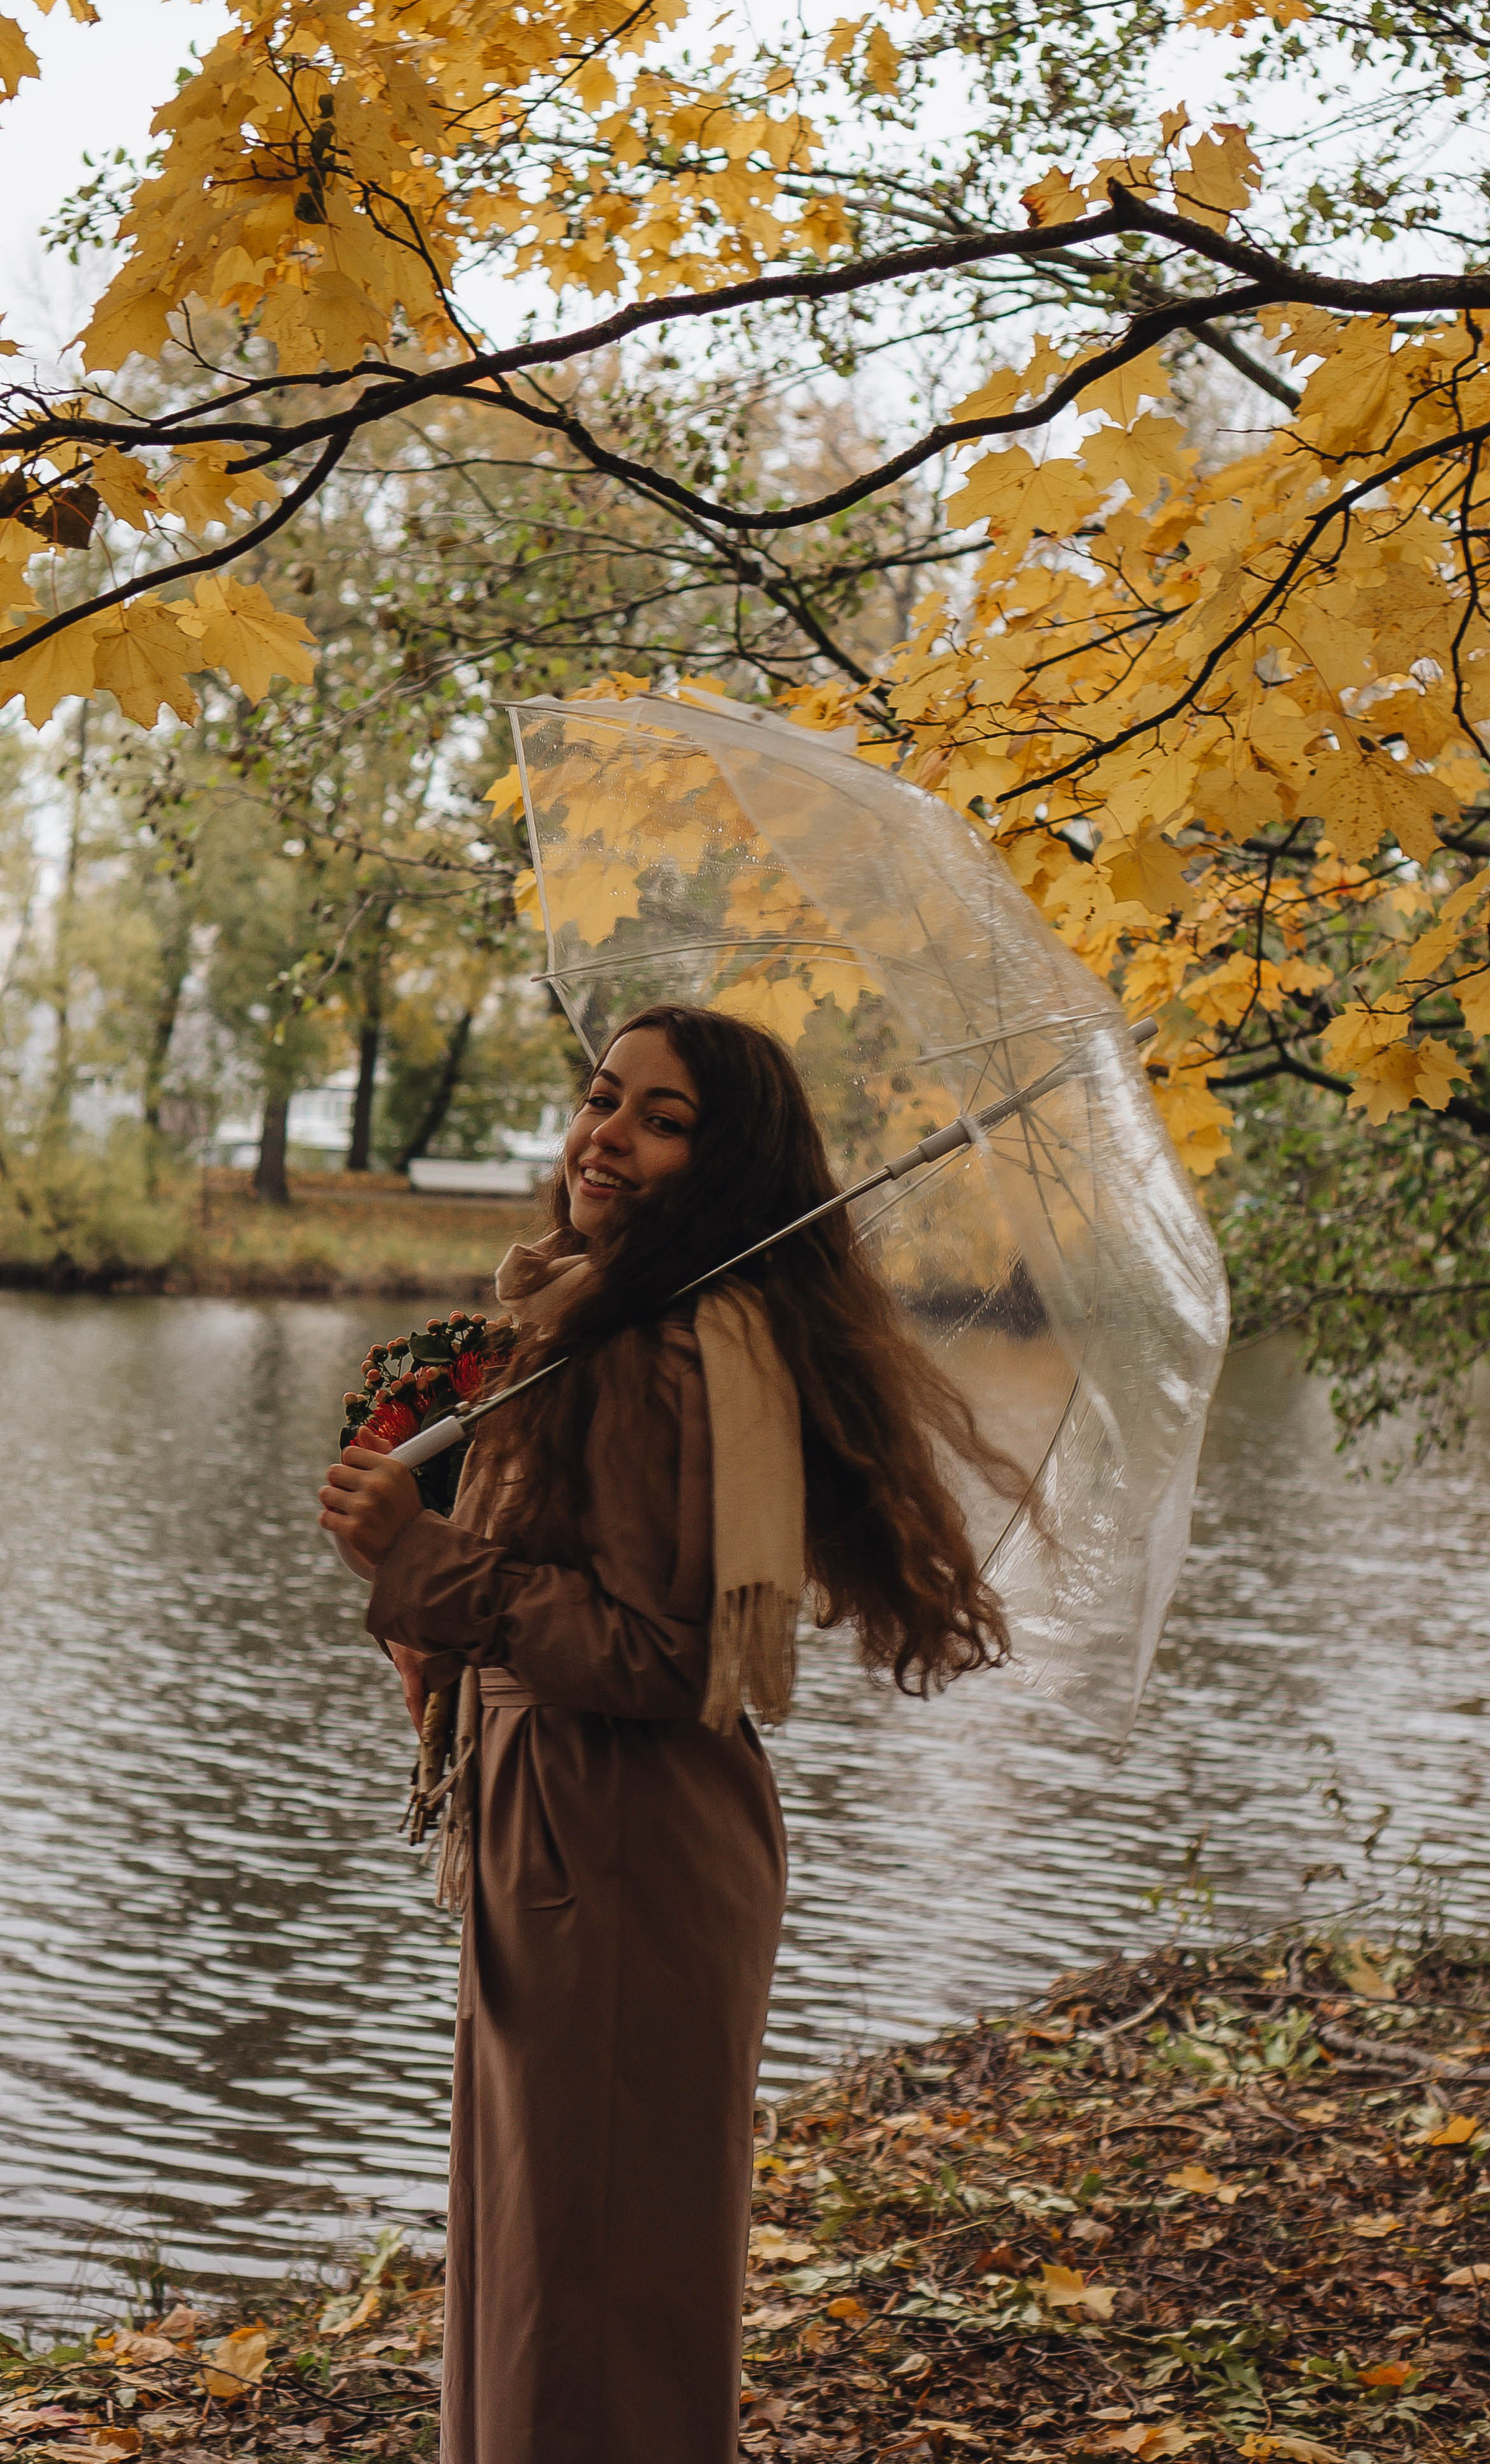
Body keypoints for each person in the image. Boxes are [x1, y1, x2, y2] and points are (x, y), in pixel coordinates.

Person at [317, 1003, 1027, 2464]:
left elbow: (655, 1652)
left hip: (615, 1841)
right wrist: (424, 1584)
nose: (606, 1136)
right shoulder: (608, 1323)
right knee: (543, 2260)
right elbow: (557, 1585)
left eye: (659, 1119)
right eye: (599, 1099)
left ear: (726, 1165)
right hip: (574, 1825)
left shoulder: (671, 1358)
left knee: (586, 2294)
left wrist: (421, 1561)